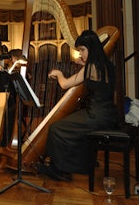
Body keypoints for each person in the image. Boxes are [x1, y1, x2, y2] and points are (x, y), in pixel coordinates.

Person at [43, 30, 119, 181]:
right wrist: (84, 62)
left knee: (56, 128)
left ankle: (61, 169)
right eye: (79, 51)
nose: (81, 54)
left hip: (96, 116)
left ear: (92, 48)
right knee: (70, 124)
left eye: (83, 50)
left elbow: (64, 84)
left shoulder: (90, 68)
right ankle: (82, 163)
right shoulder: (106, 64)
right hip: (108, 114)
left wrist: (58, 73)